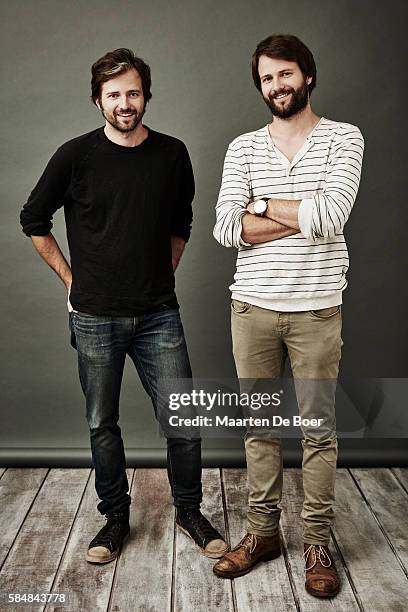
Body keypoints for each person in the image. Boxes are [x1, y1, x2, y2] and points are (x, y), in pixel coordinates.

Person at [20, 48, 227, 564]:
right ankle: (114, 519)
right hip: (94, 317)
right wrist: (72, 279)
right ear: (98, 100)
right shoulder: (74, 156)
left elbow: (183, 222)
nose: (125, 103)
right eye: (114, 95)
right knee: (101, 423)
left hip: (159, 314)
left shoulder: (172, 153)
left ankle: (188, 510)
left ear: (145, 95)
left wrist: (162, 272)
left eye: (133, 92)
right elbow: (33, 219)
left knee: (184, 418)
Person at [213, 34, 364, 597]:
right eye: (267, 78)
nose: (276, 86)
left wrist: (259, 205)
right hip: (252, 307)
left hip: (317, 310)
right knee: (259, 428)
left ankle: (318, 540)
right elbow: (226, 229)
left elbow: (333, 214)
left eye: (285, 74)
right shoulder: (242, 148)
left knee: (319, 431)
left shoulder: (343, 139)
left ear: (308, 75)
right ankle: (262, 533)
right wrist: (301, 213)